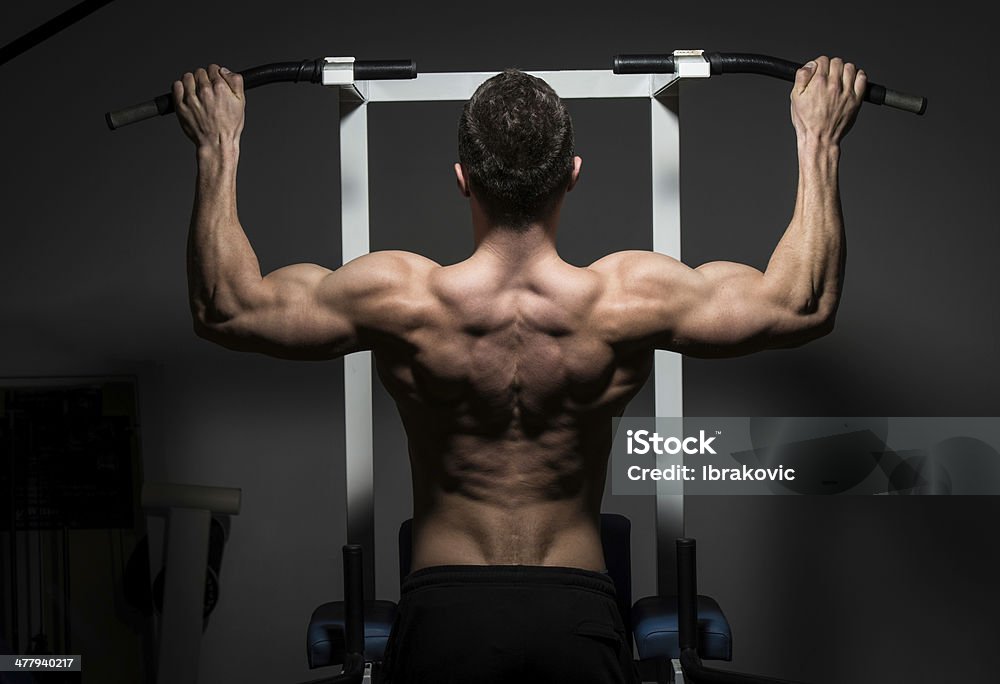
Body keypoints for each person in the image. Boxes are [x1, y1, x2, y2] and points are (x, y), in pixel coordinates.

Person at [172, 55, 866, 684]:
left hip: (446, 614)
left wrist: (218, 143)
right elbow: (802, 303)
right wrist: (818, 138)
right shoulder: (626, 299)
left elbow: (226, 307)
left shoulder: (402, 298)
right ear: (572, 173)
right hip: (576, 611)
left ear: (462, 179)